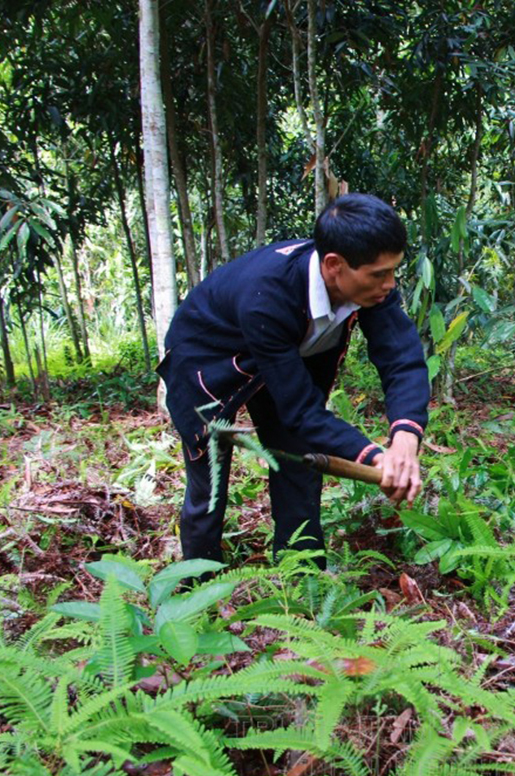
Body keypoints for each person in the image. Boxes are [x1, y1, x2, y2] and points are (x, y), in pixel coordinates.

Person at [156, 193, 430, 568]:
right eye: (379, 274)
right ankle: (199, 581)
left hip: (286, 355)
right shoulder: (267, 296)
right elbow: (301, 410)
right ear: (335, 265)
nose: (390, 284)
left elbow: (401, 359)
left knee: (299, 459)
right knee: (210, 475)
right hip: (205, 359)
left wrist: (404, 439)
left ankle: (302, 575)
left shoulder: (369, 287)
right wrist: (374, 456)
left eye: (393, 270)